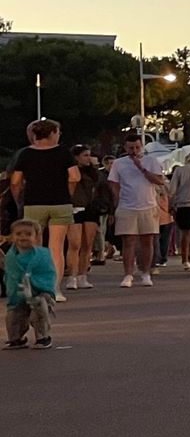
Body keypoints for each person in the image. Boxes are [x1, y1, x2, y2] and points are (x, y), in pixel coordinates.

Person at [8, 119, 78, 301]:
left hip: (34, 203)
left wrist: (18, 200)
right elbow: (74, 176)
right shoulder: (63, 152)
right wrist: (67, 193)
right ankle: (54, 289)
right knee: (56, 247)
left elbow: (15, 182)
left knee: (33, 247)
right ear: (52, 133)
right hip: (60, 203)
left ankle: (34, 287)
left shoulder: (26, 154)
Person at [105, 133, 166, 287]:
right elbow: (113, 184)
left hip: (148, 205)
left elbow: (159, 181)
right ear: (125, 148)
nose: (134, 150)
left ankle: (145, 273)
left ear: (142, 147)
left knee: (147, 241)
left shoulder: (151, 161)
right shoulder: (119, 163)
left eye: (137, 147)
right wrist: (117, 202)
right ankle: (128, 274)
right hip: (127, 206)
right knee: (128, 241)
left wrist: (142, 168)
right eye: (131, 148)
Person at [5, 216, 58, 348]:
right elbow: (10, 275)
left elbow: (48, 273)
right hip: (19, 291)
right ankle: (16, 337)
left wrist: (39, 285)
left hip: (40, 291)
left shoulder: (43, 255)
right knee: (14, 314)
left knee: (39, 308)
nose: (23, 237)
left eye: (28, 234)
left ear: (36, 236)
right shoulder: (11, 257)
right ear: (11, 236)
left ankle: (43, 336)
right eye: (18, 234)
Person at [66, 144, 109, 289]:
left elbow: (101, 186)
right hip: (74, 207)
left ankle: (82, 275)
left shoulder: (94, 173)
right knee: (74, 243)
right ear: (76, 157)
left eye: (89, 155)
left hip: (91, 208)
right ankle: (72, 275)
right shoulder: (70, 171)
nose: (88, 158)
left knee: (87, 244)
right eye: (85, 155)